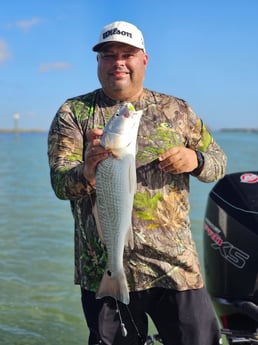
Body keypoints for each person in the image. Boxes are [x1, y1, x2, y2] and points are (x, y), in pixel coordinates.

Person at [48, 21, 227, 345]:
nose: (118, 62)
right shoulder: (73, 113)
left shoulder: (178, 110)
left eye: (127, 54)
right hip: (104, 270)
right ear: (98, 62)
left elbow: (218, 164)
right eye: (108, 55)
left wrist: (195, 160)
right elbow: (60, 185)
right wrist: (87, 171)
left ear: (144, 59)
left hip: (175, 268)